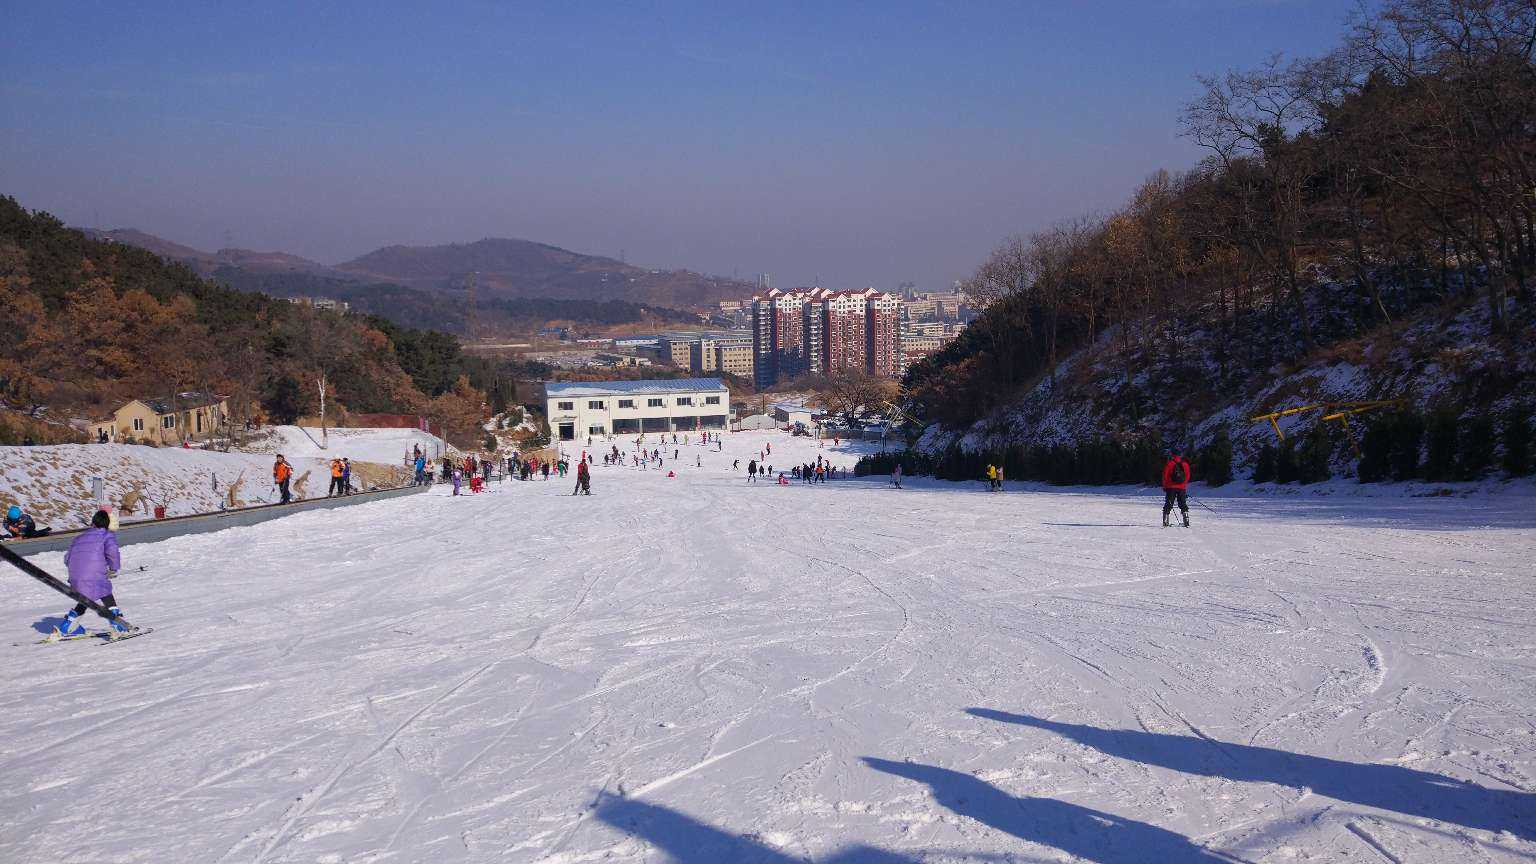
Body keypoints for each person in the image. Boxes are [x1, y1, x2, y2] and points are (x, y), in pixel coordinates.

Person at [54, 510, 131, 638]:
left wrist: (78, 570)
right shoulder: (107, 535)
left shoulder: (79, 537)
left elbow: (67, 558)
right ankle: (118, 625)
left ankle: (68, 625)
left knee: (85, 597)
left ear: (93, 523)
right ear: (107, 525)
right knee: (105, 593)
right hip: (94, 575)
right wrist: (113, 568)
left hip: (75, 576)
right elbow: (112, 553)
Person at [1162, 449, 1192, 528]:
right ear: (1180, 455)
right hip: (1181, 487)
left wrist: (1165, 486)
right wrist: (1184, 484)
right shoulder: (1185, 464)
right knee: (1182, 503)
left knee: (1169, 503)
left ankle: (1165, 520)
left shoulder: (1170, 463)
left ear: (1172, 455)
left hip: (1171, 487)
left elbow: (1165, 476)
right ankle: (1186, 519)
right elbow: (1188, 475)